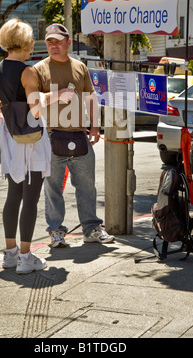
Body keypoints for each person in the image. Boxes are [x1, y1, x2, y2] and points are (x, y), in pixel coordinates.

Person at [34, 23, 114, 248]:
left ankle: (91, 230)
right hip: (50, 137)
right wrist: (56, 95)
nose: (53, 45)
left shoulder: (80, 67)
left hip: (80, 135)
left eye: (58, 41)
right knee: (52, 189)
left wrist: (96, 127)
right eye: (49, 41)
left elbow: (91, 98)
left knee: (87, 187)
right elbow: (32, 100)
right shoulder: (39, 68)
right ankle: (56, 232)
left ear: (68, 42)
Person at [0, 17, 51, 274]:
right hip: (31, 140)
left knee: (14, 195)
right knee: (31, 198)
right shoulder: (28, 71)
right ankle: (26, 258)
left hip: (11, 139)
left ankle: (10, 254)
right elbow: (36, 110)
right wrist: (55, 96)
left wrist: (10, 108)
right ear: (25, 44)